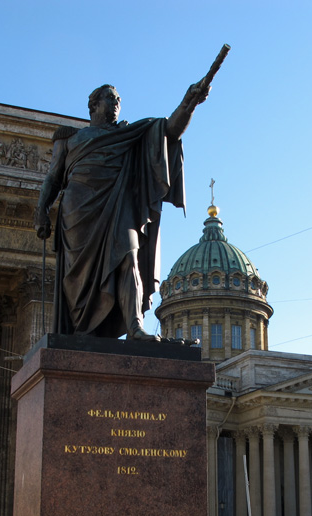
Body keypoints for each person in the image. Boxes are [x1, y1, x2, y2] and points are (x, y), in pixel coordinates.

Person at [34, 79, 210, 341]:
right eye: (110, 98)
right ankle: (84, 328)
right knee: (79, 281)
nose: (116, 104)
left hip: (118, 206)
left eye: (119, 100)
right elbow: (52, 178)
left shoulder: (130, 134)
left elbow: (169, 131)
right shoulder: (70, 138)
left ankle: (135, 326)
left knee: (129, 257)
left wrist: (189, 103)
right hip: (78, 212)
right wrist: (41, 212)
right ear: (94, 104)